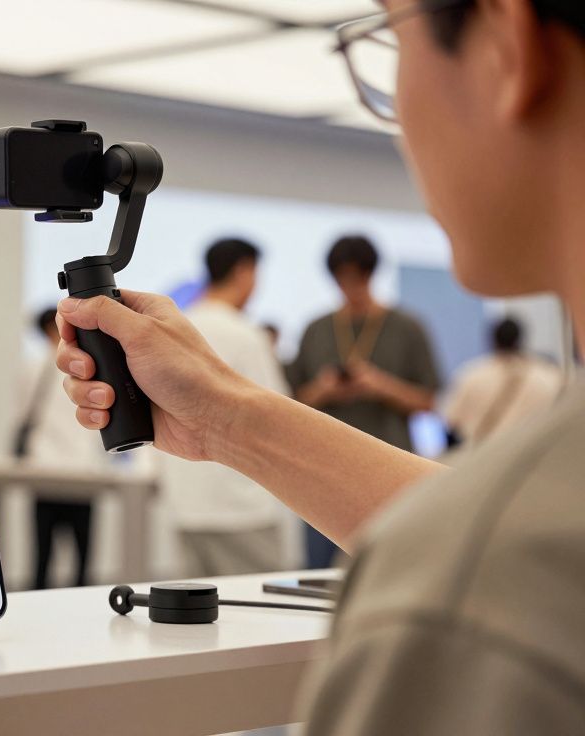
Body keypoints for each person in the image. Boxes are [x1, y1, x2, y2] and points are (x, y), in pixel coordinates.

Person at [54, 0, 585, 729]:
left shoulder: (478, 598)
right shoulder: (501, 545)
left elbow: (476, 540)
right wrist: (227, 419)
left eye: (391, 45)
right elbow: (453, 523)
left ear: (506, 44)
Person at [287, 235, 440, 568]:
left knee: (392, 567)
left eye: (358, 277)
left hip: (390, 466)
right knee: (316, 575)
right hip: (320, 468)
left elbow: (429, 401)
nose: (350, 286)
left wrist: (382, 386)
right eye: (342, 278)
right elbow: (293, 400)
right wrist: (324, 390)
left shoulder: (407, 327)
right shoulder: (317, 329)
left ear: (372, 274)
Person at [159, 239, 290, 577]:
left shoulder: (176, 329)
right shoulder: (245, 334)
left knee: (199, 619)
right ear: (243, 271)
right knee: (259, 618)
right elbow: (277, 414)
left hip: (187, 503)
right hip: (241, 506)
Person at [14, 308, 104, 589]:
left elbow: (21, 413)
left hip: (55, 469)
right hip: (68, 470)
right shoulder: (44, 366)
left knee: (47, 552)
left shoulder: (34, 367)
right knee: (76, 553)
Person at [444, 317, 562, 446]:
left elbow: (451, 422)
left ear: (493, 340)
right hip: (533, 453)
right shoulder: (549, 376)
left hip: (484, 456)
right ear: (520, 339)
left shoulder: (471, 376)